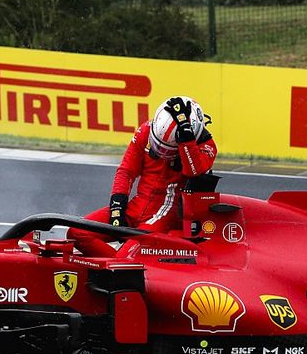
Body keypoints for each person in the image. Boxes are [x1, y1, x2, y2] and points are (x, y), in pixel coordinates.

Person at [71, 95, 217, 256]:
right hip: (136, 207)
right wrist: (117, 209)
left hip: (165, 216)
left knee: (127, 256)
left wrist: (187, 142)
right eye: (157, 145)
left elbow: (193, 171)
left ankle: (120, 270)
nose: (161, 152)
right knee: (76, 232)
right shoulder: (147, 130)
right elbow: (126, 171)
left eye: (168, 149)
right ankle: (115, 271)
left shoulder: (206, 146)